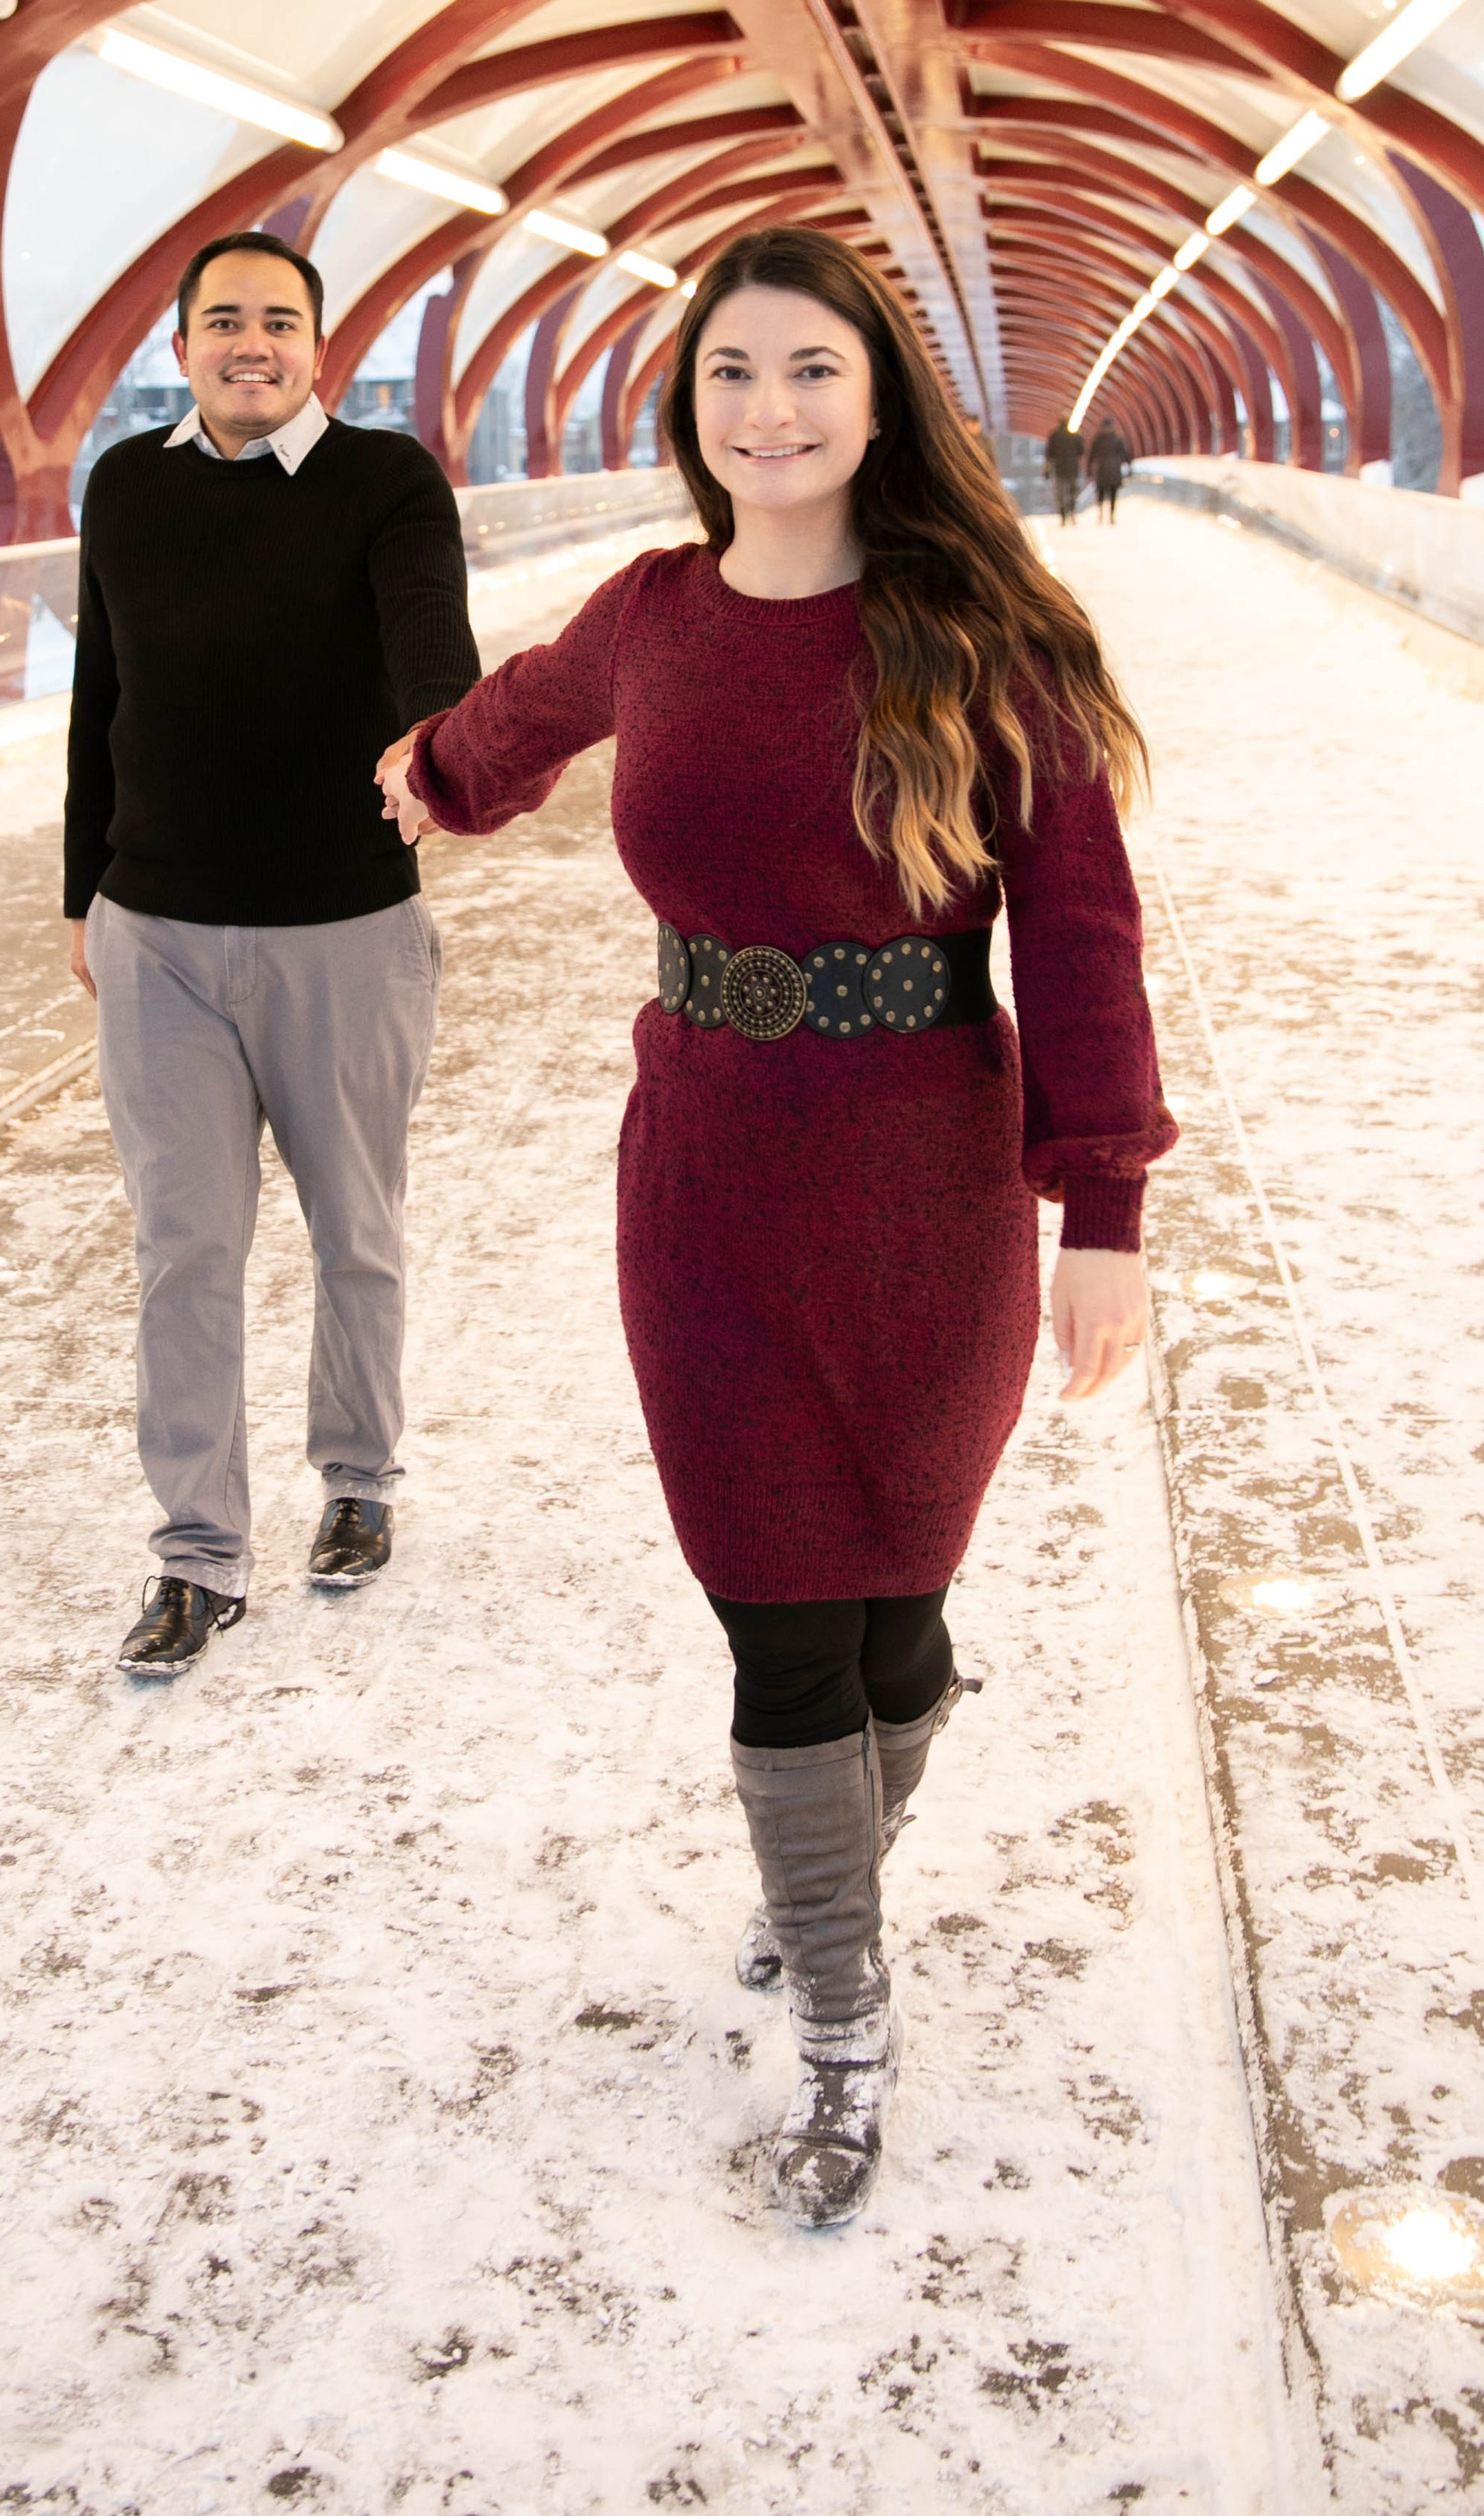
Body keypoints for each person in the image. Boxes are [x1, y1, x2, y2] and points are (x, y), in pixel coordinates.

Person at [378, 226, 1173, 2229]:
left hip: (927, 1174)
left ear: (877, 393)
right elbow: (521, 718)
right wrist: (432, 771)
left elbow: (1076, 933)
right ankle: (841, 2007)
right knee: (770, 1610)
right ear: (688, 403)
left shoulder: (990, 635)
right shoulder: (650, 610)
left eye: (809, 367)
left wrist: (1102, 1203)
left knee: (897, 1610)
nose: (769, 408)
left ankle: (827, 1883)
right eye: (730, 372)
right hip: (707, 1169)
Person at [67, 230, 481, 1679]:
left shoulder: (385, 480)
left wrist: (440, 739)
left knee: (353, 1226)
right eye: (222, 320)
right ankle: (195, 1553)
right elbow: (98, 698)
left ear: (321, 345)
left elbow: (432, 630)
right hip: (157, 934)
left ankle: (358, 1476)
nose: (251, 342)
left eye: (280, 321)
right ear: (182, 346)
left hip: (344, 930)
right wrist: (82, 894)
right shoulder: (124, 486)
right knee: (186, 1245)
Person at [1088, 420, 1131, 524]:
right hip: (1115, 470)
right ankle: (1112, 515)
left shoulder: (1098, 438)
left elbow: (1092, 455)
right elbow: (1125, 454)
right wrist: (1129, 467)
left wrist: (1089, 469)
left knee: (1101, 493)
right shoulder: (1118, 438)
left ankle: (1101, 513)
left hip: (1102, 469)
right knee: (1113, 494)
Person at [1043, 420, 1082, 526]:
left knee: (1060, 492)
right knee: (1072, 491)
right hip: (1073, 468)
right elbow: (1081, 451)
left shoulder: (1054, 436)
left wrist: (1047, 470)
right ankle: (1072, 511)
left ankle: (1063, 515)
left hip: (1059, 468)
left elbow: (1049, 454)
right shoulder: (1075, 436)